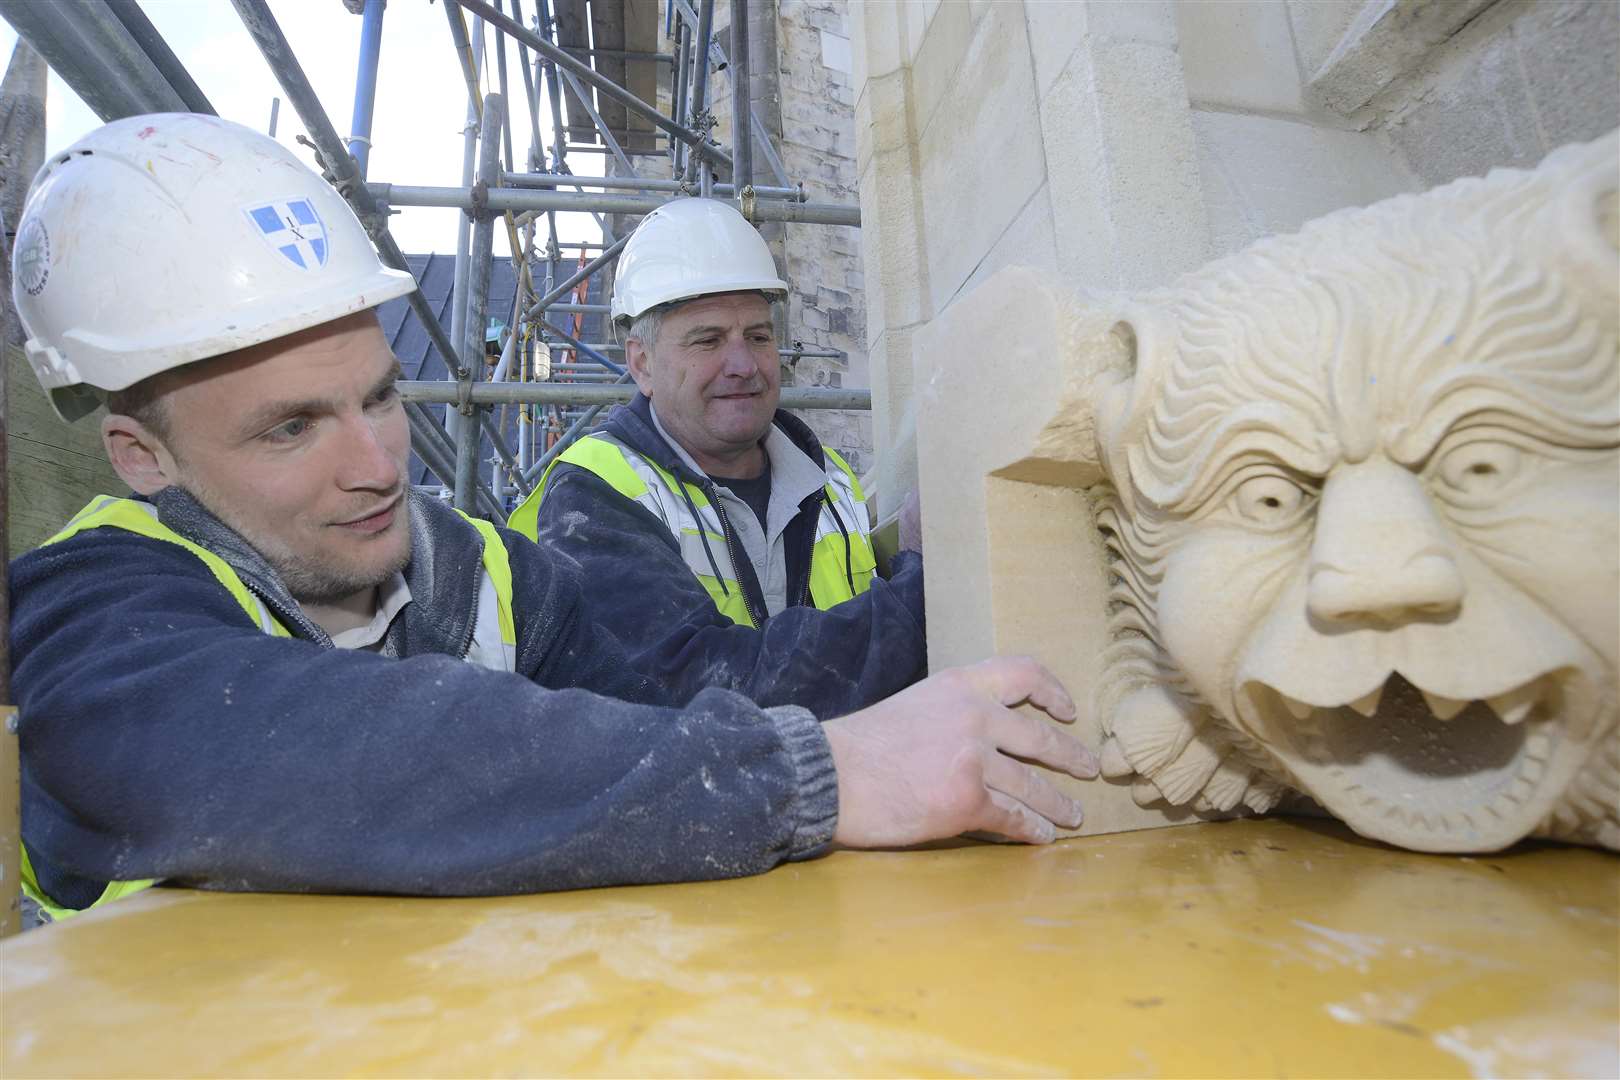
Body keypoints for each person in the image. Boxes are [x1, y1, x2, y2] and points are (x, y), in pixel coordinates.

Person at [7, 114, 1098, 921]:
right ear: (142, 456)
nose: (377, 464)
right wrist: (815, 775)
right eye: (293, 428)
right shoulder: (94, 617)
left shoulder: (480, 573)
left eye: (382, 396)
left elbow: (697, 693)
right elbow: (330, 748)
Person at [509, 199, 925, 718]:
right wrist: (917, 597)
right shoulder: (593, 495)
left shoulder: (831, 482)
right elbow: (697, 688)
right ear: (642, 364)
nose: (743, 364)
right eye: (708, 340)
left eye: (758, 336)